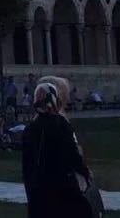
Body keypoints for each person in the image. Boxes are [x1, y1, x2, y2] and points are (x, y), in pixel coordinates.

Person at [21, 81, 96, 218]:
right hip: (60, 192)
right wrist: (85, 172)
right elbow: (73, 155)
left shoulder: (29, 129)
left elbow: (26, 167)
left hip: (36, 196)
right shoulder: (60, 124)